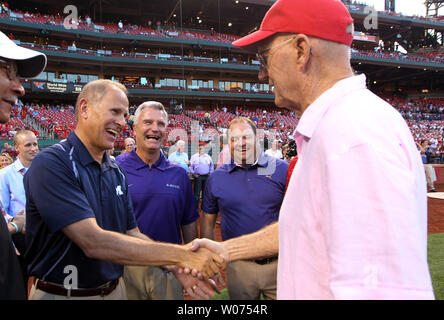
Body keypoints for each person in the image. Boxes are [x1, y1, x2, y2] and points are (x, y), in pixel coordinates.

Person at [190, 0, 434, 300]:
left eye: (264, 58)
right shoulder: (340, 125)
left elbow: (379, 291)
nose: (262, 75)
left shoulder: (353, 134)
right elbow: (303, 227)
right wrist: (229, 249)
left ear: (301, 51)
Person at [24, 79, 223, 300]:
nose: (121, 122)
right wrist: (180, 256)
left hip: (114, 290)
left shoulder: (115, 170)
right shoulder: (52, 163)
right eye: (115, 111)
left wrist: (175, 266)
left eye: (124, 116)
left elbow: (132, 232)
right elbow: (92, 241)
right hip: (63, 293)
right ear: (84, 108)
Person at [119, 101, 213, 300]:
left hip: (169, 271)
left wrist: (192, 264)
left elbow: (188, 223)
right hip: (127, 269)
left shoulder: (179, 174)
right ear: (134, 128)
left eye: (161, 124)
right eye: (147, 122)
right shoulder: (115, 169)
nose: (155, 128)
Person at [200, 117, 288, 300]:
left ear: (257, 139)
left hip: (280, 263)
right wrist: (210, 259)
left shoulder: (282, 170)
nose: (240, 143)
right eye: (234, 139)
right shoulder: (216, 178)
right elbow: (208, 222)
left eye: (246, 137)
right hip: (238, 265)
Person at [0, 30, 47, 300]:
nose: (20, 87)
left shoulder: (41, 172)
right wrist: (14, 228)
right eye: (9, 71)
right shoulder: (5, 175)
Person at [0, 130, 39, 218]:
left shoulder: (46, 171)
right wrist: (16, 223)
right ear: (17, 147)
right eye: (28, 145)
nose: (33, 149)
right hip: (20, 229)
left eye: (35, 144)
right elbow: (3, 211)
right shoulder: (5, 175)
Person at [189, 143, 214, 209]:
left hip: (206, 177)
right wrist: (193, 173)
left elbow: (211, 166)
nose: (201, 150)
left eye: (202, 148)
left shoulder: (208, 157)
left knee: (205, 193)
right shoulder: (194, 156)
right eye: (200, 148)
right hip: (198, 177)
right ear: (198, 149)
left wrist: (210, 173)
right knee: (196, 194)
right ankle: (195, 208)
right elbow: (190, 166)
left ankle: (204, 208)